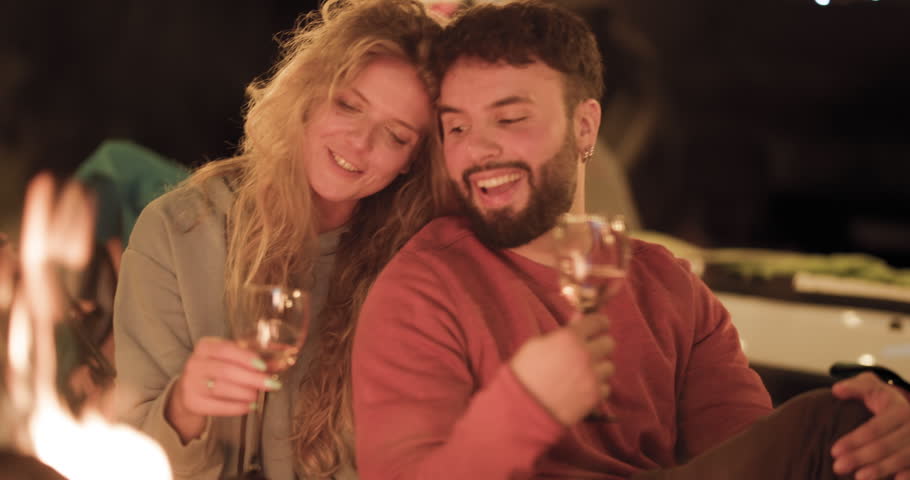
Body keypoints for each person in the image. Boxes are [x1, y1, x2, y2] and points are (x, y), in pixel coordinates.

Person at [351, 1, 910, 479]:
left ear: (585, 126)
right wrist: (525, 407)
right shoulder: (423, 287)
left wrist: (883, 434)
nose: (477, 151)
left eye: (511, 118)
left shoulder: (669, 287)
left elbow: (751, 455)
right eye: (457, 127)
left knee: (858, 432)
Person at [112, 1, 445, 479]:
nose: (359, 142)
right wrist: (184, 406)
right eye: (348, 105)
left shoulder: (411, 265)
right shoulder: (178, 230)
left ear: (412, 159)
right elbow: (127, 460)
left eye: (394, 135)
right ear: (310, 93)